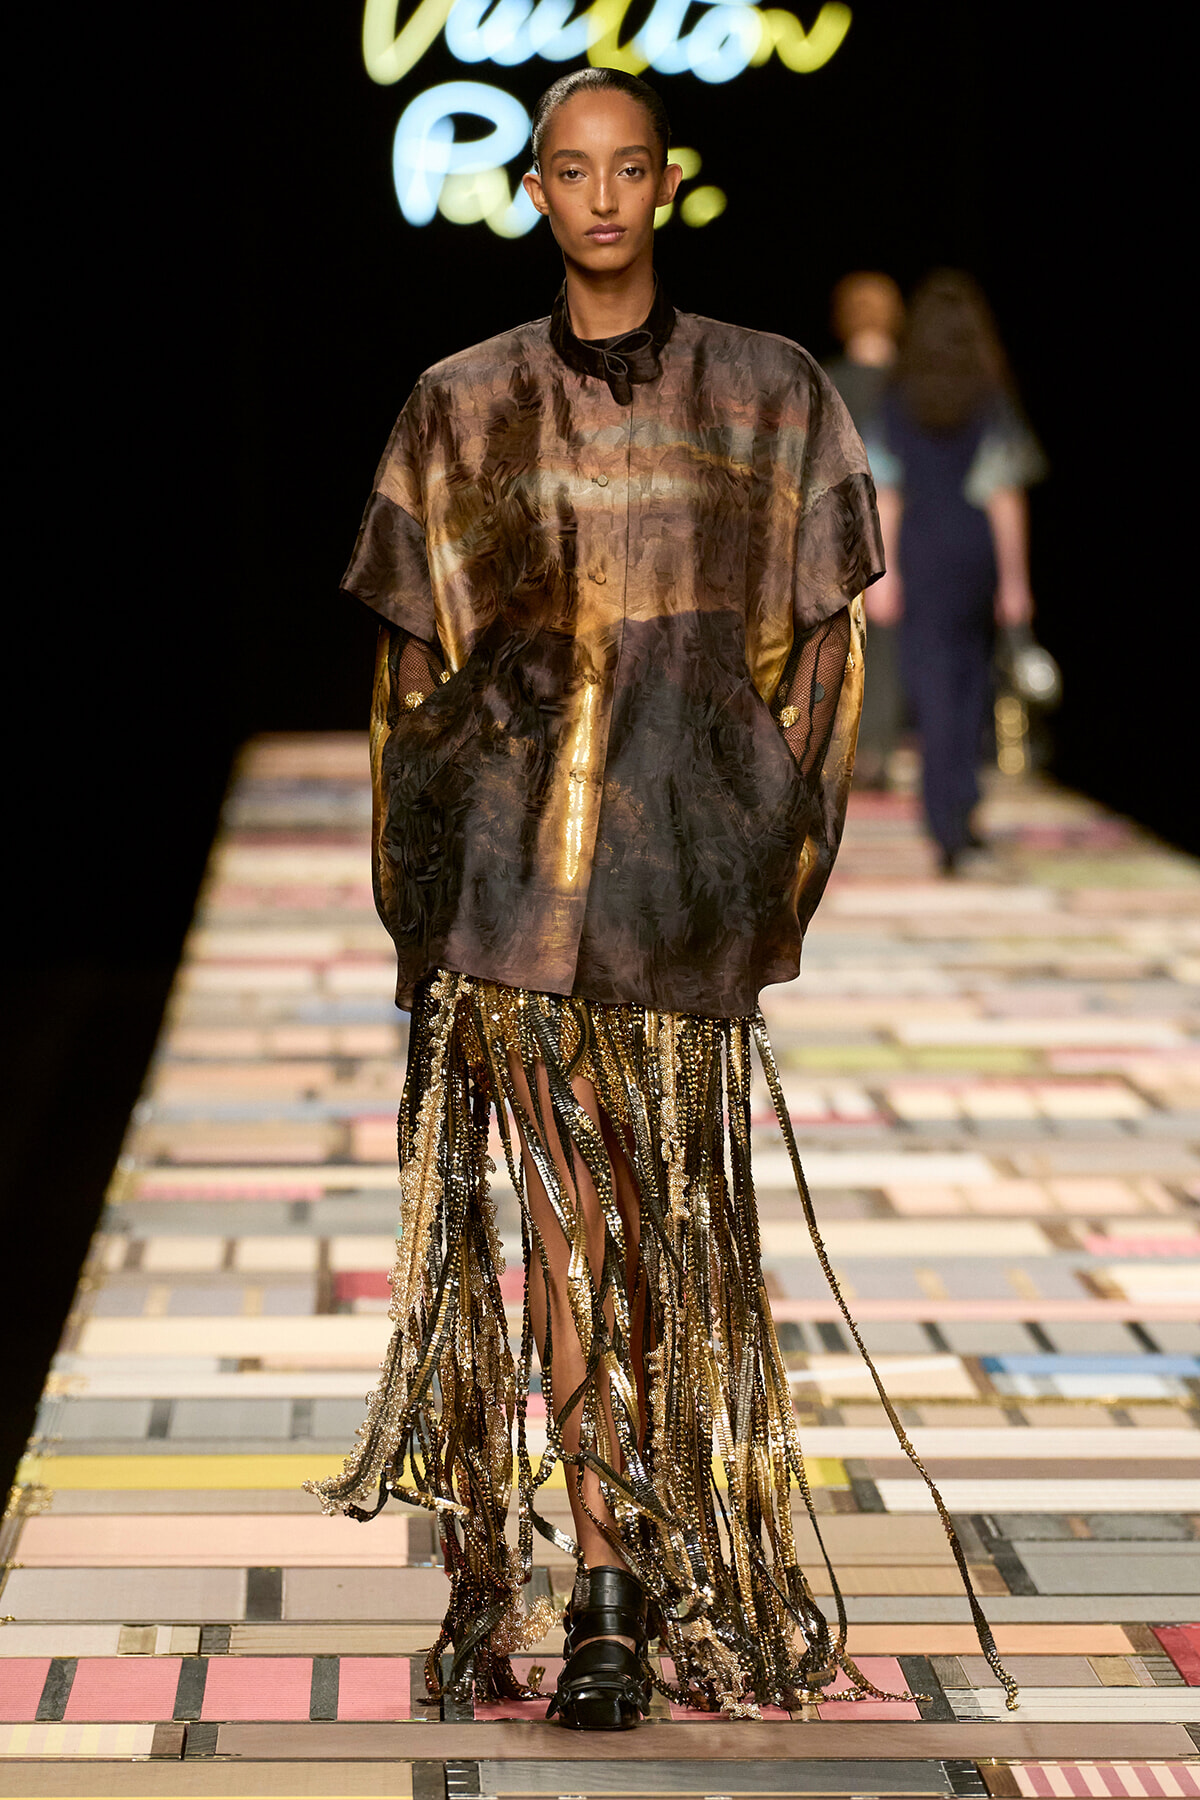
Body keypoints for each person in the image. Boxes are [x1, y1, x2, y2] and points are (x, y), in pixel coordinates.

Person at [307, 72, 1015, 1730]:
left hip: (683, 891)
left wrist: (771, 860)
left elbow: (826, 663)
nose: (604, 199)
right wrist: (426, 912)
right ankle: (609, 1591)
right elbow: (409, 682)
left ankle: (661, 1558)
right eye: (574, 171)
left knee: (673, 1244)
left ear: (667, 184)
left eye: (631, 171)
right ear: (537, 189)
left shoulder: (773, 396)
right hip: (513, 896)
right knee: (569, 1235)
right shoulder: (461, 406)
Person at [865, 271, 1046, 871]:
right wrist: (1016, 584)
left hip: (921, 549)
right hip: (973, 551)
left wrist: (882, 572)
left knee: (931, 685)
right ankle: (961, 815)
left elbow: (885, 490)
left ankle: (944, 820)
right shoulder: (988, 395)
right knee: (970, 683)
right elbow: (1003, 494)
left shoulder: (897, 397)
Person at [823, 273, 906, 787]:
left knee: (841, 641)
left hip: (839, 531)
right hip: (909, 529)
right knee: (894, 644)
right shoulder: (916, 385)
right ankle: (880, 746)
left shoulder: (825, 381)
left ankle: (845, 748)